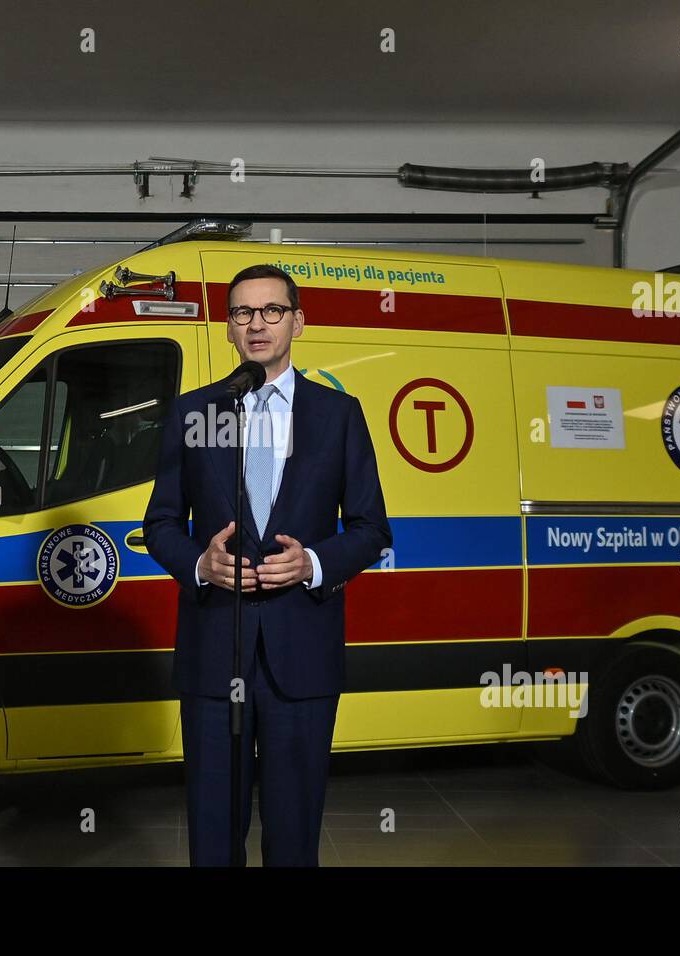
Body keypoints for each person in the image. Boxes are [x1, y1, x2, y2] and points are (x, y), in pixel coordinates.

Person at [144, 264, 391, 866]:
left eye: (271, 311)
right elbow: (160, 524)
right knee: (212, 833)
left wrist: (311, 562)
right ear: (228, 328)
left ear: (298, 322)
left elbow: (370, 529)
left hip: (301, 655)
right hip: (212, 655)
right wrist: (200, 565)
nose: (257, 324)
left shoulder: (339, 415)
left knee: (294, 834)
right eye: (242, 313)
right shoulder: (197, 413)